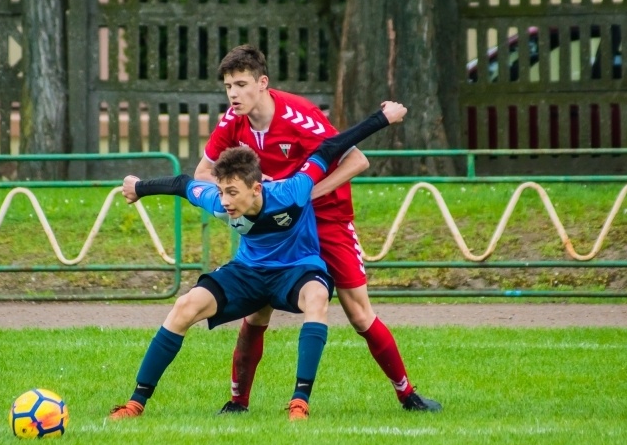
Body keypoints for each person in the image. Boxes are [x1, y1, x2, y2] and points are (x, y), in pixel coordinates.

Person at [108, 101, 409, 422]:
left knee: (318, 297)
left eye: (232, 193)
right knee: (185, 305)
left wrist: (382, 118)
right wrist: (139, 187)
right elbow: (183, 184)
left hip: (296, 271)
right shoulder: (220, 201)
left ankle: (299, 402)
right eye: (221, 192)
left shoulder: (292, 190)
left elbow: (330, 146)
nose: (224, 202)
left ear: (256, 188)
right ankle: (135, 403)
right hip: (249, 273)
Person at [195, 45, 441, 414]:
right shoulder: (232, 122)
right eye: (228, 85)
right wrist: (235, 204)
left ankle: (408, 395)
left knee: (358, 312)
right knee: (256, 310)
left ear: (263, 83)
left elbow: (357, 160)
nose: (233, 94)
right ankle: (237, 404)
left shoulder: (299, 115)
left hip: (328, 218)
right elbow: (202, 173)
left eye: (241, 84)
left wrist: (305, 196)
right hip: (274, 228)